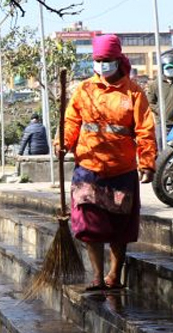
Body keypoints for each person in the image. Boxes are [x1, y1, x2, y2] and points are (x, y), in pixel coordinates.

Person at [59, 34, 156, 292]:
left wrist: (147, 162)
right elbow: (71, 122)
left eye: (107, 60)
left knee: (118, 227)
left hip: (121, 170)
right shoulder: (85, 90)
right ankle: (97, 276)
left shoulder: (133, 92)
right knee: (89, 225)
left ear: (117, 60)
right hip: (88, 168)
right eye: (98, 60)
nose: (102, 65)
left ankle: (114, 275)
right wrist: (63, 143)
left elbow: (145, 130)